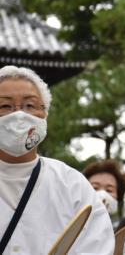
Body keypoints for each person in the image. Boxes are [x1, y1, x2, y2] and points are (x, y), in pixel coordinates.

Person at [0, 65, 114, 254]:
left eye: (30, 105)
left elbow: (97, 246)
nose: (19, 115)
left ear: (45, 114)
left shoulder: (72, 184)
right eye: (5, 106)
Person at [83, 159, 125, 228]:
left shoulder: (124, 229)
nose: (102, 194)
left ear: (118, 196)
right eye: (95, 188)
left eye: (109, 190)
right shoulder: (70, 226)